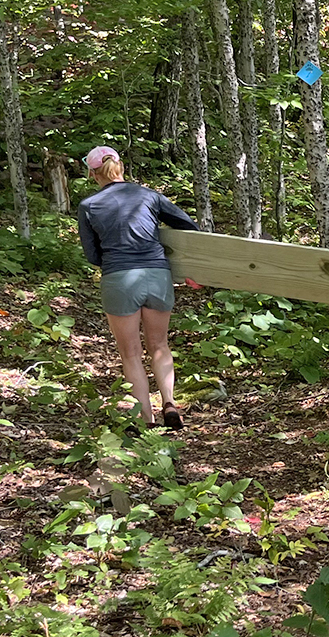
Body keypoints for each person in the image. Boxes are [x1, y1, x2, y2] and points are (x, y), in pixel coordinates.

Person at [76, 146, 198, 430]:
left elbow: (93, 256)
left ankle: (147, 419)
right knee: (159, 345)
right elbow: (188, 225)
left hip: (119, 279)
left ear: (94, 174)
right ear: (120, 166)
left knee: (130, 353)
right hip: (157, 275)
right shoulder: (149, 196)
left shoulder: (89, 206)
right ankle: (169, 403)